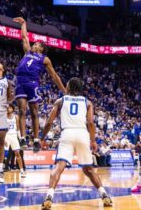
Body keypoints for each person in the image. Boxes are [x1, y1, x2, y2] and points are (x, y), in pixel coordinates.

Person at [41, 77, 112, 209]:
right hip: (82, 134)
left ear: (69, 87)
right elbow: (90, 123)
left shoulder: (60, 100)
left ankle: (49, 197)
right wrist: (93, 140)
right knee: (89, 169)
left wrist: (42, 137)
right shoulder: (88, 102)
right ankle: (104, 195)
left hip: (67, 133)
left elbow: (49, 121)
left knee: (58, 167)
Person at [13, 17, 66, 152]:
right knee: (21, 110)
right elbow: (24, 37)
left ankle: (36, 140)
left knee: (34, 111)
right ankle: (23, 138)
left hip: (32, 82)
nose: (34, 44)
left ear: (41, 48)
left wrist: (64, 90)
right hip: (20, 81)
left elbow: (54, 76)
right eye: (34, 43)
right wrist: (24, 24)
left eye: (36, 43)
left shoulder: (44, 59)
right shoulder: (28, 52)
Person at [5, 104, 26, 178]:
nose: (8, 109)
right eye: (7, 108)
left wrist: (20, 138)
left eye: (10, 108)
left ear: (13, 109)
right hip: (6, 136)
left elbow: (17, 128)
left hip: (14, 135)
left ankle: (22, 170)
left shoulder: (16, 117)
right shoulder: (3, 117)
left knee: (17, 153)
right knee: (3, 154)